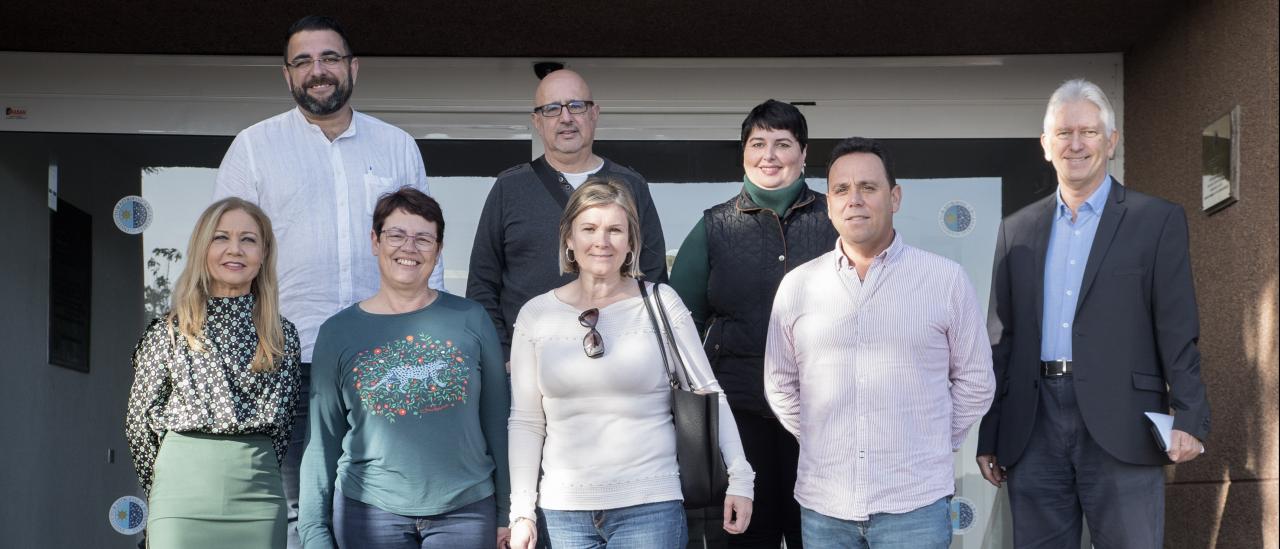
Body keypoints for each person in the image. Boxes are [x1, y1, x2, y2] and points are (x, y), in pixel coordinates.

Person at [212, 15, 442, 548]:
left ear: (353, 67)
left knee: (382, 501)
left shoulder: (397, 146)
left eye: (330, 58)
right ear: (286, 75)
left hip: (384, 354)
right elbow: (225, 257)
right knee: (299, 509)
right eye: (303, 62)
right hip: (285, 355)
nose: (318, 72)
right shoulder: (253, 148)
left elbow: (419, 246)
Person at [975, 78, 1211, 549]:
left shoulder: (1156, 220)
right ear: (1046, 146)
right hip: (1033, 423)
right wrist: (990, 431)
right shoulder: (1016, 230)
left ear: (1112, 141)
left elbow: (1176, 325)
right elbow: (1001, 340)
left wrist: (1189, 414)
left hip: (1122, 421)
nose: (1076, 144)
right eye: (1064, 133)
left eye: (1088, 131)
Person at [763, 137, 995, 548]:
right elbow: (779, 383)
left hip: (915, 507)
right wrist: (824, 436)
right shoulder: (797, 287)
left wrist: (932, 440)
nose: (854, 199)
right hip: (825, 509)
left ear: (895, 197)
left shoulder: (944, 281)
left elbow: (976, 381)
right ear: (829, 203)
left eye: (868, 187)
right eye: (841, 190)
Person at [507, 178, 754, 549]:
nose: (601, 241)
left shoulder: (661, 303)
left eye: (615, 230)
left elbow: (708, 393)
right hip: (563, 512)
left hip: (650, 507)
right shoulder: (535, 316)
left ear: (632, 242)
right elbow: (526, 422)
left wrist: (741, 478)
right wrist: (522, 512)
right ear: (569, 239)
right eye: (589, 228)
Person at [298, 187, 510, 549]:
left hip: (466, 509)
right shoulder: (338, 331)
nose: (409, 248)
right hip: (368, 511)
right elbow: (322, 440)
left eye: (424, 238)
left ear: (439, 250)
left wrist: (508, 512)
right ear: (375, 242)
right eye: (396, 235)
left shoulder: (471, 319)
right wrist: (313, 531)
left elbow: (498, 421)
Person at [669, 99, 834, 548]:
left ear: (804, 153)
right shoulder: (713, 228)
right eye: (758, 143)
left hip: (822, 419)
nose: (769, 155)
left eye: (783, 144)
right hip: (739, 420)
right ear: (743, 152)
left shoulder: (834, 219)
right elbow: (678, 329)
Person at [126, 197, 302, 548]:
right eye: (221, 238)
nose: (234, 250)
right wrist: (166, 486)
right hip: (180, 498)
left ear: (264, 253)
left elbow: (283, 430)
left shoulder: (283, 336)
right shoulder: (169, 332)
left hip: (260, 499)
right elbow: (137, 425)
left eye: (248, 239)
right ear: (202, 249)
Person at [467, 68, 667, 366]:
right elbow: (482, 285)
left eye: (576, 106)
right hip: (528, 365)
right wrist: (504, 355)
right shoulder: (509, 188)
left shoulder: (630, 186)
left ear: (594, 113)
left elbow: (653, 279)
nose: (566, 118)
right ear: (537, 121)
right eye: (551, 109)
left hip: (618, 364)